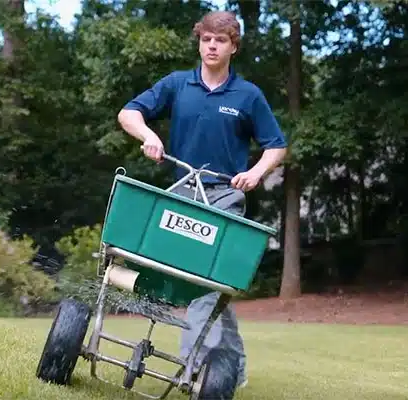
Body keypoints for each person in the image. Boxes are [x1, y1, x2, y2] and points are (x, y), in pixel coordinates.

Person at [117, 10, 287, 398]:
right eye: (206, 39)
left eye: (220, 40)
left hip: (225, 198)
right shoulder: (178, 84)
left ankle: (193, 370)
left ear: (233, 47)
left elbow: (276, 145)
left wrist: (257, 173)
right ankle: (231, 367)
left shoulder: (247, 95)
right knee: (197, 283)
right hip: (180, 193)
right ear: (199, 42)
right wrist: (149, 136)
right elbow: (128, 113)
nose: (212, 46)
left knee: (204, 283)